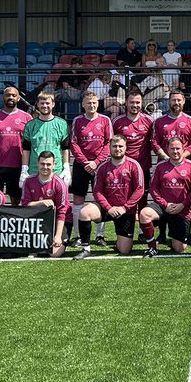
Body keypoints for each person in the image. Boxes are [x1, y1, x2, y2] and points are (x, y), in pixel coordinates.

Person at [77, 135, 147, 258]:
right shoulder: (102, 167)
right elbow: (97, 191)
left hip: (125, 211)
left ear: (126, 147)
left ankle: (120, 241)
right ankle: (85, 249)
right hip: (107, 208)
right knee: (84, 212)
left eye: (120, 146)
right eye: (114, 146)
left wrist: (125, 208)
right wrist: (108, 208)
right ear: (109, 148)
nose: (117, 149)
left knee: (124, 250)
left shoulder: (134, 165)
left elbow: (139, 190)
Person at [141, 136, 191, 256]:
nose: (175, 151)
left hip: (182, 210)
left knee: (179, 248)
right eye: (172, 148)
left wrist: (182, 205)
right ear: (167, 149)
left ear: (183, 149)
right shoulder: (160, 166)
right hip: (163, 207)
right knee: (144, 213)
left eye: (178, 148)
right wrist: (165, 204)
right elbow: (153, 188)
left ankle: (174, 236)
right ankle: (152, 247)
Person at [70, 91, 114, 243]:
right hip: (81, 165)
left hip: (100, 165)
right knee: (78, 198)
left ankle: (100, 235)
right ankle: (78, 236)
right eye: (89, 102)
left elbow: (109, 143)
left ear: (98, 103)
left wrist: (96, 162)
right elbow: (74, 143)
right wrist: (85, 162)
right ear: (83, 104)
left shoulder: (105, 120)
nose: (92, 105)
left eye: (94, 102)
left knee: (101, 197)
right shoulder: (77, 120)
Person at [0, 85, 32, 205]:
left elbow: (30, 144)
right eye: (8, 95)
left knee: (16, 199)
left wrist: (27, 165)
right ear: (3, 97)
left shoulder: (26, 117)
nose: (11, 97)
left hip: (17, 164)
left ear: (18, 98)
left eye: (14, 95)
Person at [22, 150, 71, 258]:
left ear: (54, 165)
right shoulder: (28, 181)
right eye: (42, 164)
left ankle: (61, 238)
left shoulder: (60, 183)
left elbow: (62, 212)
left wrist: (57, 236)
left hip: (57, 222)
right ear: (37, 164)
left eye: (48, 164)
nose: (45, 167)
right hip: (36, 222)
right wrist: (41, 203)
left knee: (54, 253)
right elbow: (25, 206)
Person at [111, 89, 153, 188]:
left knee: (143, 195)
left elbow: (154, 141)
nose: (135, 105)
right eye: (132, 102)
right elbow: (111, 143)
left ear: (142, 103)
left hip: (143, 166)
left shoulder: (149, 121)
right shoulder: (117, 122)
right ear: (126, 103)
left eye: (138, 102)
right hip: (123, 166)